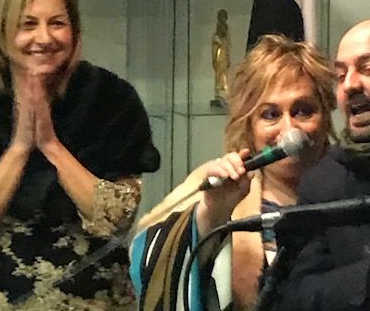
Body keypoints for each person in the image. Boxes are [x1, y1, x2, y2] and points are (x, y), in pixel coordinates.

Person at [0, 0, 160, 311]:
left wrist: (51, 145)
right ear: (1, 32)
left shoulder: (111, 98)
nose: (44, 38)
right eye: (28, 24)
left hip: (97, 300)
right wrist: (19, 148)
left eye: (57, 23)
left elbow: (116, 220)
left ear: (74, 30)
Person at [130, 34, 336, 311]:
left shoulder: (354, 185)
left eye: (303, 111)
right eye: (270, 115)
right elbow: (151, 267)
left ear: (326, 116)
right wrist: (210, 215)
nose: (289, 130)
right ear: (248, 125)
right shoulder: (218, 190)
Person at [275, 20, 370, 311]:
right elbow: (293, 295)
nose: (350, 84)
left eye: (367, 68)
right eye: (340, 75)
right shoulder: (324, 183)